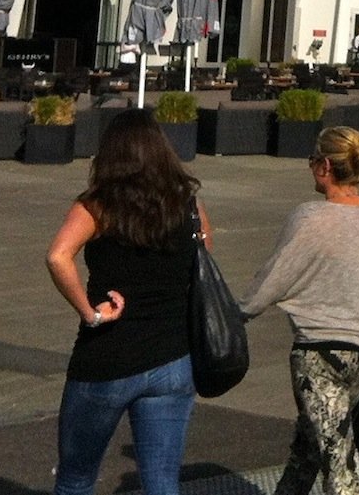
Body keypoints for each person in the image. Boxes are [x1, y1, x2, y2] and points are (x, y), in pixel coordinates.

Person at [45, 109, 210, 495]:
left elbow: (57, 256)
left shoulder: (97, 206)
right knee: (162, 483)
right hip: (173, 359)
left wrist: (90, 313)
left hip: (108, 359)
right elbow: (203, 266)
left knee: (76, 479)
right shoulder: (187, 205)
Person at [242, 126, 359, 495]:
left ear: (325, 166)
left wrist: (232, 317)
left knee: (340, 468)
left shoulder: (310, 217)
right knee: (310, 449)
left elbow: (272, 280)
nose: (310, 166)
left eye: (313, 159)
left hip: (320, 357)